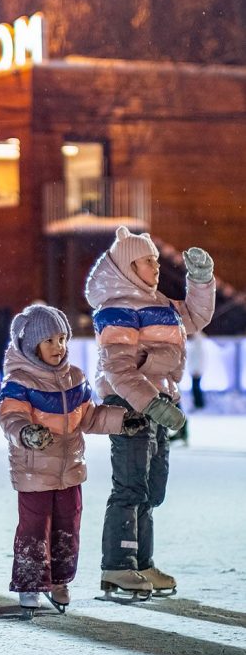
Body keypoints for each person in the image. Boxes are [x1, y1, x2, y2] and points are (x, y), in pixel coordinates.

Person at [85, 226, 215, 598]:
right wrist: (152, 404)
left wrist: (201, 280)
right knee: (130, 486)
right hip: (130, 407)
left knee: (152, 488)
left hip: (159, 402)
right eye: (147, 261)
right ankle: (117, 566)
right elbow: (118, 368)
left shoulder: (159, 305)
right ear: (128, 265)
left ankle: (142, 563)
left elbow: (195, 316)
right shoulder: (116, 311)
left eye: (157, 261)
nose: (156, 267)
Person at [0, 304, 147, 616]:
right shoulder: (20, 381)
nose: (58, 347)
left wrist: (122, 420)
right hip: (34, 472)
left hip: (71, 471)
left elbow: (89, 417)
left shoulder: (74, 378)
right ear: (31, 344)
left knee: (68, 527)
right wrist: (27, 433)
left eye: (62, 339)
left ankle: (58, 580)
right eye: (49, 341)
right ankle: (30, 583)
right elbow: (11, 417)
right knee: (34, 528)